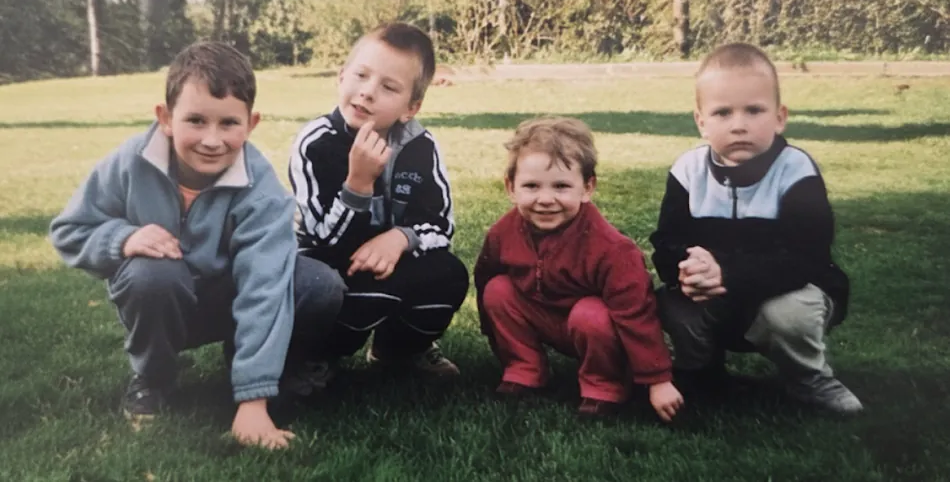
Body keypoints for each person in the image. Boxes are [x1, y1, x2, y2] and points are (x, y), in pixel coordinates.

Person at [49, 41, 346, 449]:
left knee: (317, 284)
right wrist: (123, 238)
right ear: (166, 118)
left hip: (231, 299)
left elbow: (265, 288)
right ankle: (153, 379)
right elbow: (69, 230)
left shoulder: (262, 189)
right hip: (163, 302)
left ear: (252, 123)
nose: (211, 139)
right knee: (149, 273)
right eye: (196, 121)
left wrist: (253, 402)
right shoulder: (131, 162)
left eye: (228, 123)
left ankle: (257, 373)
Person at [650, 42, 863, 414]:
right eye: (722, 112)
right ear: (701, 121)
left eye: (754, 110)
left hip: (787, 291)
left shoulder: (796, 170)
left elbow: (805, 258)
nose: (739, 124)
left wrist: (728, 273)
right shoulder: (687, 170)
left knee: (788, 315)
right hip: (714, 294)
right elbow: (666, 242)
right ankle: (700, 374)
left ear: (780, 117)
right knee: (671, 303)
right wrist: (687, 271)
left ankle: (809, 378)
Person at [289, 22, 468, 384]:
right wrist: (358, 183)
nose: (367, 92)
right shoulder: (316, 143)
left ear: (411, 107)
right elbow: (323, 240)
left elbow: (440, 225)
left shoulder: (421, 147)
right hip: (328, 268)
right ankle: (316, 355)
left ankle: (399, 349)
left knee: (449, 274)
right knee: (333, 289)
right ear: (341, 77)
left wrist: (401, 238)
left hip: (388, 262)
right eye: (361, 75)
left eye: (389, 87)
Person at [474, 117, 683, 420]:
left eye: (561, 186)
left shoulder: (612, 249)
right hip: (543, 313)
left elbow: (636, 313)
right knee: (497, 290)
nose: (546, 199)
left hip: (598, 328)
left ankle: (603, 384)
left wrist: (658, 380)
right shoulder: (501, 233)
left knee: (590, 313)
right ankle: (525, 367)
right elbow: (484, 280)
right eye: (531, 186)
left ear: (587, 187)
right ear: (511, 187)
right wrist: (490, 328)